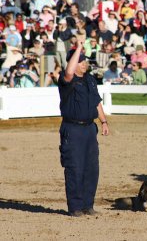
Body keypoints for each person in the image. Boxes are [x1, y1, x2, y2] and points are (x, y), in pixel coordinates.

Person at [58, 39, 110, 217]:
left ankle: (88, 204)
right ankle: (75, 207)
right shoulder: (67, 80)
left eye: (85, 60)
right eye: (81, 60)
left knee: (91, 168)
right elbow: (69, 72)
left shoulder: (89, 79)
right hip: (72, 129)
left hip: (89, 129)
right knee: (74, 167)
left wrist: (103, 122)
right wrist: (78, 47)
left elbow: (96, 102)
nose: (85, 63)